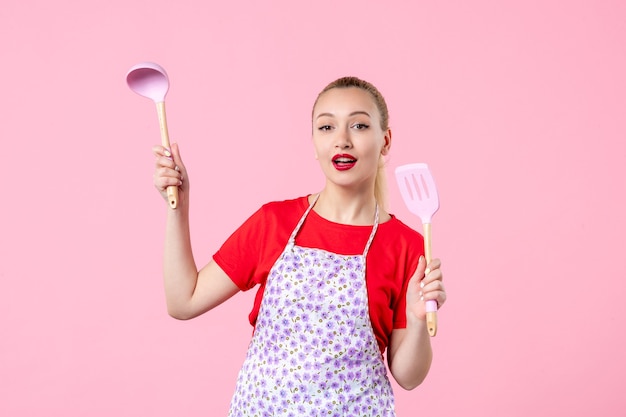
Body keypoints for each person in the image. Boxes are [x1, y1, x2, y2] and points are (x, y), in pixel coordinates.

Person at [152, 76, 447, 416]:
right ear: (313, 141)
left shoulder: (407, 246)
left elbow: (409, 377)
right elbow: (183, 301)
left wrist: (417, 317)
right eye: (326, 128)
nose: (342, 141)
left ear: (385, 140)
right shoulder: (273, 223)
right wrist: (178, 208)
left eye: (360, 125)